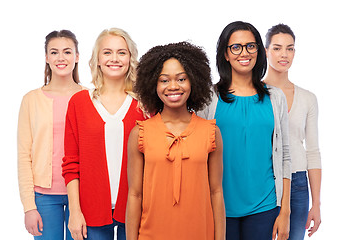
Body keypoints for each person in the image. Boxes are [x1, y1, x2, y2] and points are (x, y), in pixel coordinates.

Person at [198, 21, 291, 240]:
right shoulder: (209, 98)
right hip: (219, 207)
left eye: (251, 46)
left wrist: (285, 210)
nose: (244, 53)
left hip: (265, 206)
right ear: (226, 54)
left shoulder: (275, 97)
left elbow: (285, 155)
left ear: (259, 50)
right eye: (236, 47)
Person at [126, 42, 226, 240]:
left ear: (194, 82)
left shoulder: (211, 132)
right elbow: (135, 195)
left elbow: (216, 192)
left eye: (181, 79)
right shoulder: (140, 133)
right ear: (153, 84)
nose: (173, 86)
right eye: (164, 80)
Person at [62, 28, 145, 240]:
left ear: (130, 58)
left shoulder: (145, 105)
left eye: (121, 52)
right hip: (90, 212)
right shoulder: (79, 103)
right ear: (97, 59)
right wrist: (74, 211)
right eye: (107, 52)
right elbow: (71, 163)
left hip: (138, 210)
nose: (114, 58)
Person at [18, 30, 83, 239]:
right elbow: (23, 156)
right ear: (46, 58)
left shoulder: (90, 97)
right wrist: (29, 206)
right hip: (44, 197)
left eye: (67, 52)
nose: (61, 58)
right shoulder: (31, 100)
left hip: (82, 193)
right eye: (54, 52)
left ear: (77, 56)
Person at [263, 23, 322, 239]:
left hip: (297, 183)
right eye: (277, 48)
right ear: (266, 50)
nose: (284, 54)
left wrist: (316, 203)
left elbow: (313, 151)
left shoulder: (308, 98)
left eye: (290, 48)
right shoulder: (255, 94)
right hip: (264, 179)